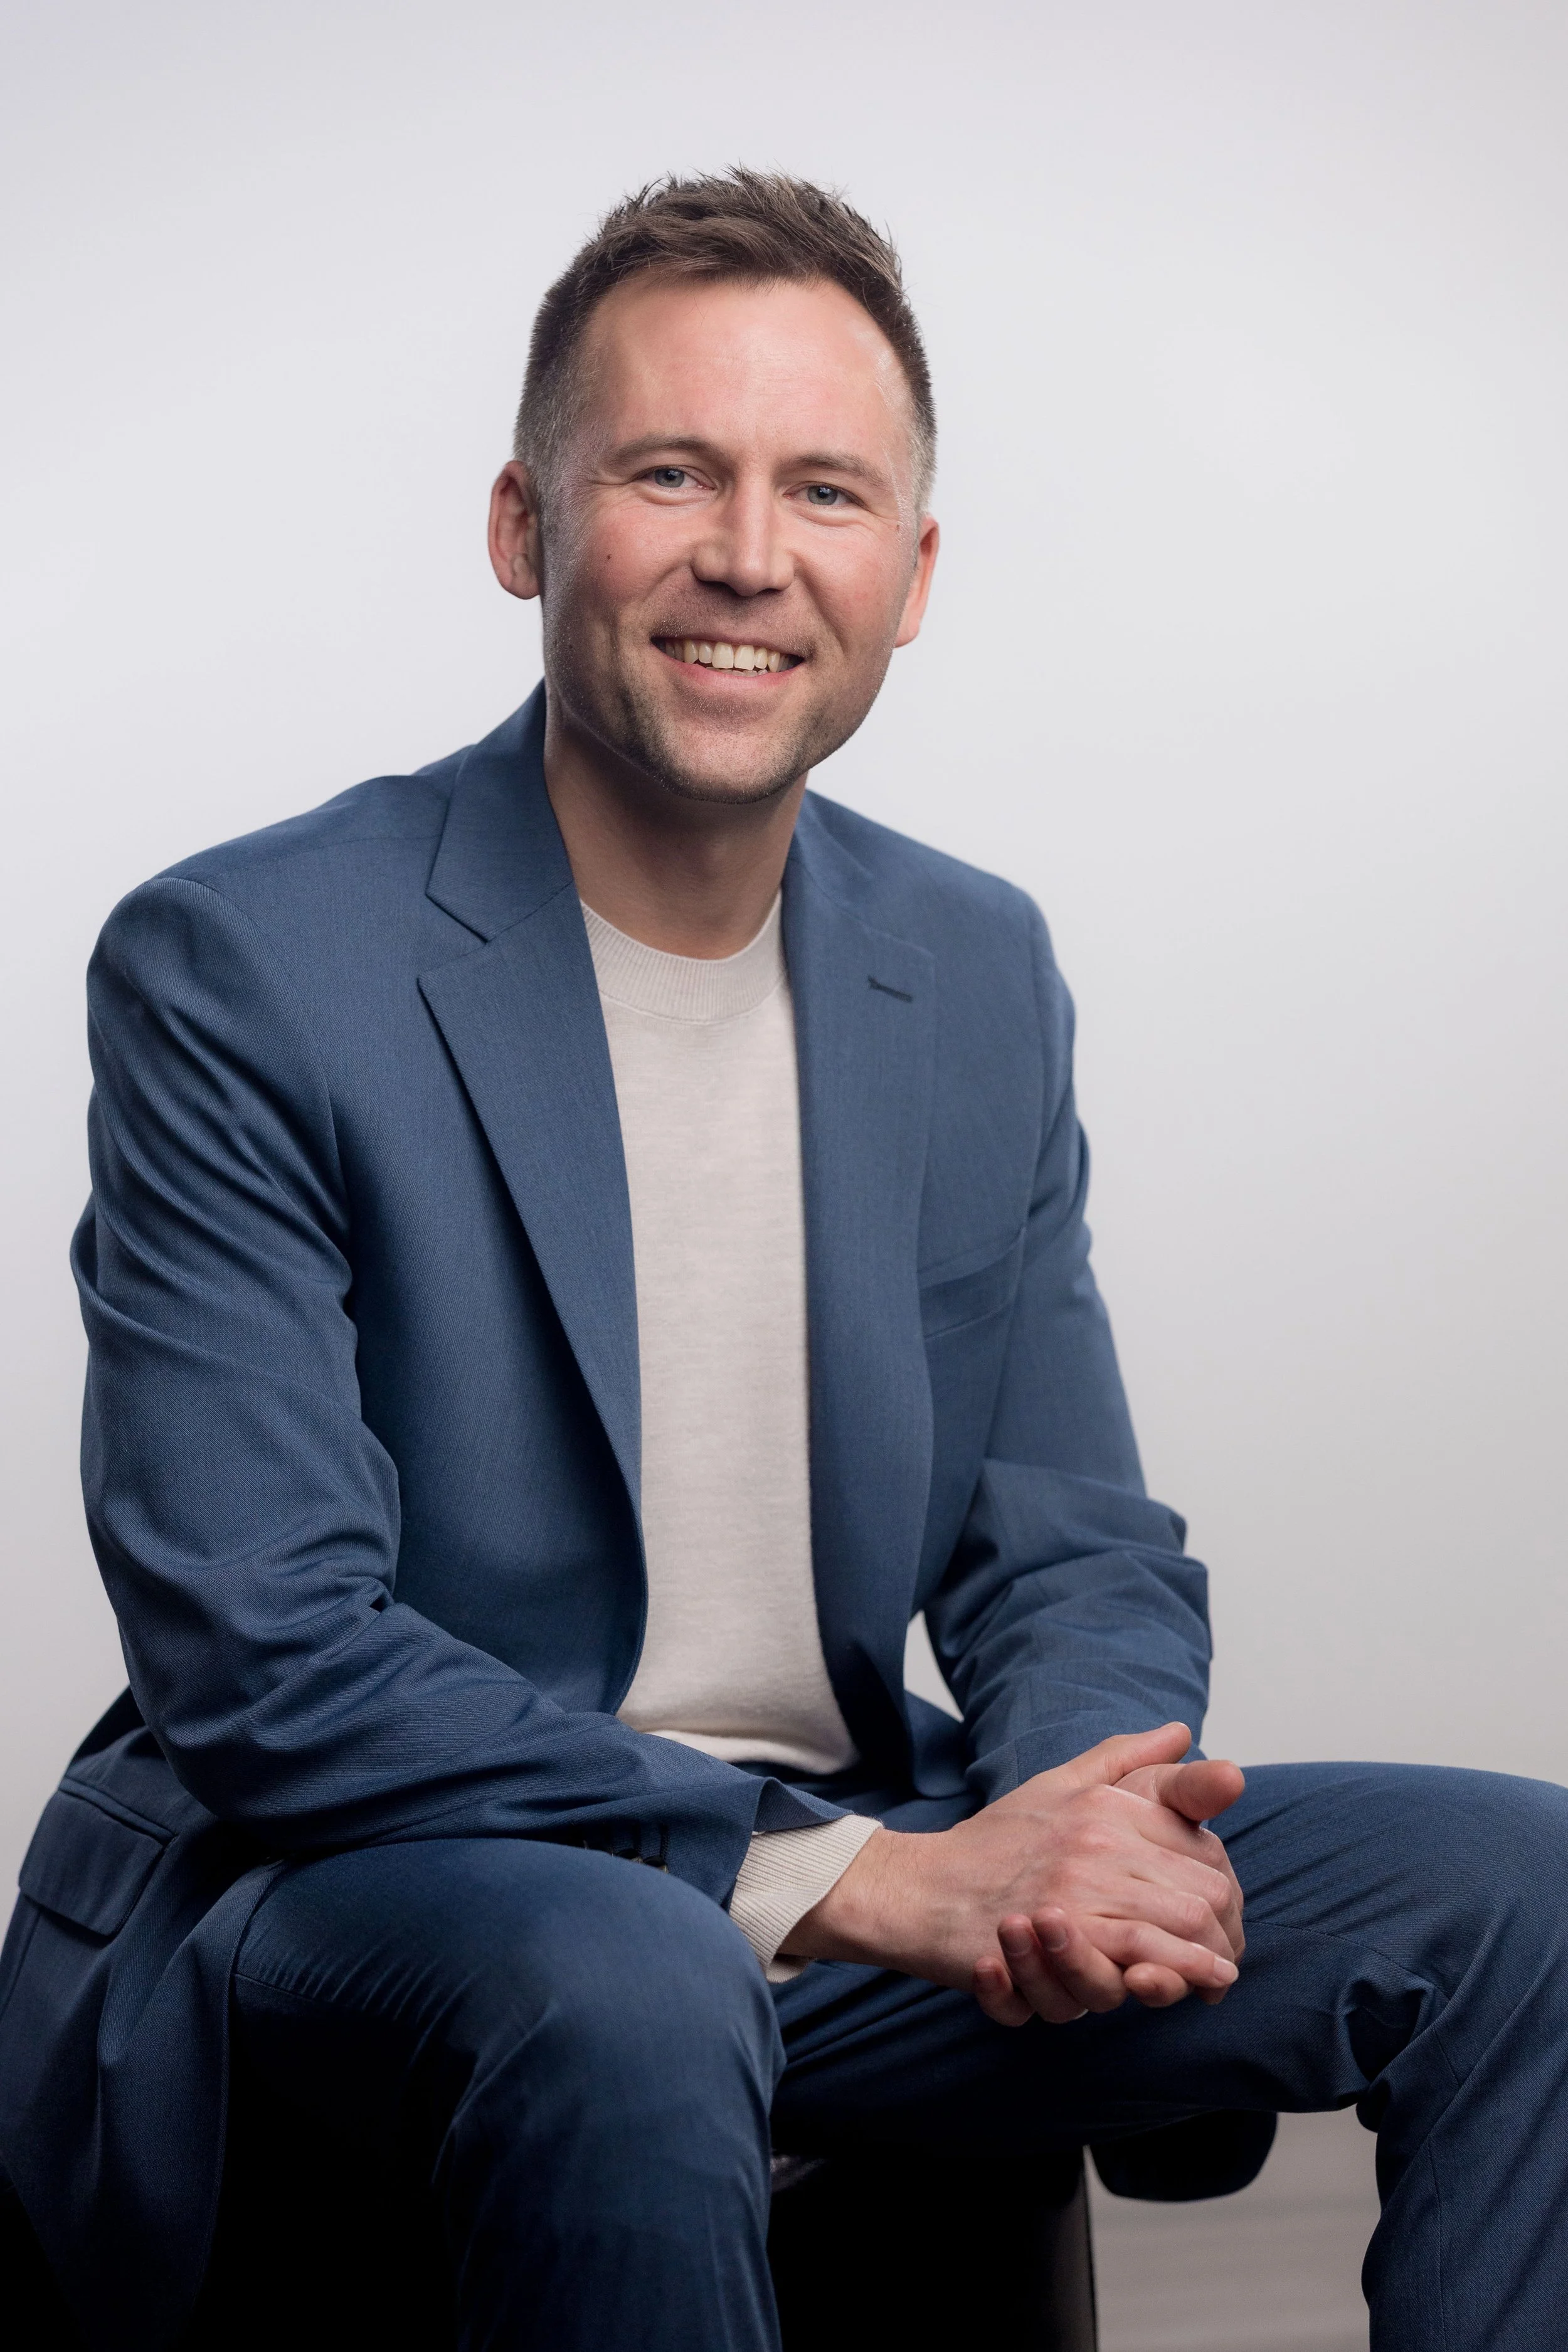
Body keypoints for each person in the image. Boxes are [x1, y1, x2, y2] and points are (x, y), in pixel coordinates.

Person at [1, 168, 1565, 2352]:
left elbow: (1065, 1540)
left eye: (824, 490)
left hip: (852, 1862)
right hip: (369, 1878)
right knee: (635, 1974)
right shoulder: (249, 961)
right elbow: (266, 1656)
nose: (749, 555)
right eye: (670, 472)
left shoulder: (973, 962)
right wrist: (868, 1877)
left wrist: (1083, 1819)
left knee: (1518, 1886)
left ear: (908, 575)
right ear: (523, 527)